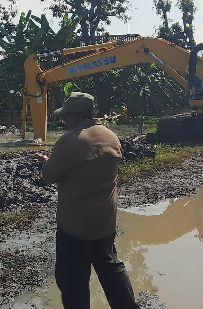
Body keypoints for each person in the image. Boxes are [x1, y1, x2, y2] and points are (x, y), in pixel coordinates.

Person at [35, 92, 139, 309]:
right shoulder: (111, 136)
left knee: (72, 280)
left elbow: (49, 176)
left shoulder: (72, 140)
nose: (65, 121)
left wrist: (48, 162)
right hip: (104, 221)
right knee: (111, 268)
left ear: (73, 116)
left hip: (75, 225)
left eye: (66, 117)